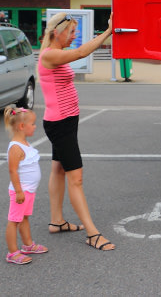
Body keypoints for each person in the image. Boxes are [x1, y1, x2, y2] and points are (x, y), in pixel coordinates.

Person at [38, 12, 115, 251]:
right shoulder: (50, 55)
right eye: (71, 32)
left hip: (65, 121)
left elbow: (77, 52)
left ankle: (57, 221)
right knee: (76, 178)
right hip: (60, 124)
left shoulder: (55, 55)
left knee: (58, 169)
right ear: (56, 33)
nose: (74, 36)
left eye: (75, 32)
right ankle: (92, 234)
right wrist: (109, 31)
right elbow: (82, 53)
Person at [4, 106, 48, 265]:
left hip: (29, 191)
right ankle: (12, 253)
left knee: (24, 218)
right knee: (14, 220)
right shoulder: (16, 147)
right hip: (21, 191)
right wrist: (18, 191)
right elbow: (13, 171)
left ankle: (28, 245)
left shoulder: (24, 143)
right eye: (33, 124)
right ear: (22, 126)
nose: (35, 126)